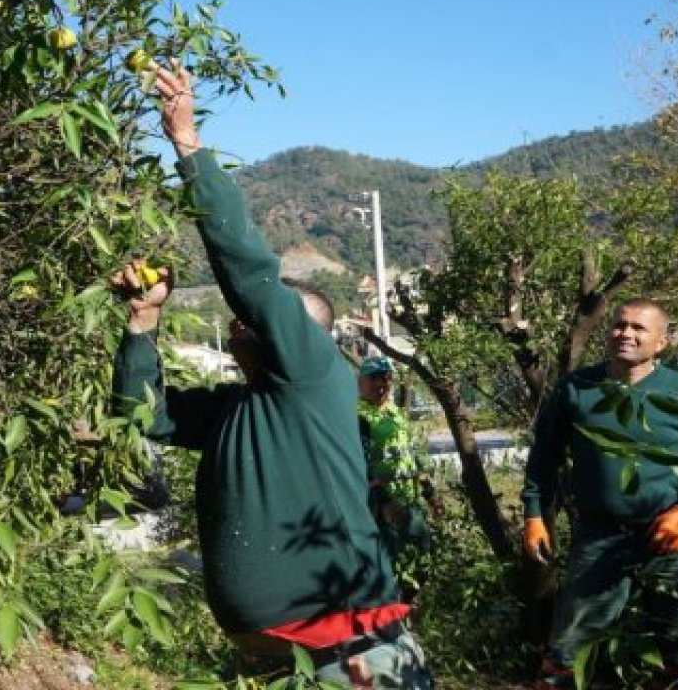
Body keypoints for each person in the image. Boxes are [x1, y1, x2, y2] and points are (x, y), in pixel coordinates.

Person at [110, 58, 434, 689]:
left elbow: (252, 279)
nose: (246, 321)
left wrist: (188, 147)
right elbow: (140, 416)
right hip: (276, 669)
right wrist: (143, 321)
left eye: (272, 318)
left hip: (353, 663)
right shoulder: (242, 407)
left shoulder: (314, 373)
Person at [521, 298, 678, 690]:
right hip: (599, 535)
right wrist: (533, 515)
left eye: (638, 328)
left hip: (671, 536)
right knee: (568, 649)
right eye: (619, 325)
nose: (625, 334)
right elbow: (544, 458)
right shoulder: (576, 388)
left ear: (661, 342)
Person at [357, 356, 441, 560]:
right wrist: (385, 502)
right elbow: (361, 463)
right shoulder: (359, 416)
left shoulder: (395, 412)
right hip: (381, 506)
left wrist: (430, 494)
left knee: (424, 557)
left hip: (409, 501)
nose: (380, 384)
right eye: (374, 378)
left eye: (385, 378)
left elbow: (410, 455)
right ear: (361, 382)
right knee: (391, 563)